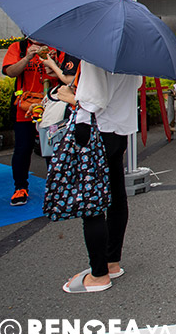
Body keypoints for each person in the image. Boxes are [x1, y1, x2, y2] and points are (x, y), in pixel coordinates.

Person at [56, 61, 140, 293]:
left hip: (96, 131)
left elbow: (93, 102)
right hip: (119, 130)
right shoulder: (129, 55)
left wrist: (70, 97)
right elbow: (136, 84)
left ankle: (99, 275)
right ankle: (111, 263)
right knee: (116, 197)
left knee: (91, 203)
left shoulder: (94, 57)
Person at [2, 38, 65, 206]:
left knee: (52, 149)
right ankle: (20, 187)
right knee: (22, 149)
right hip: (25, 108)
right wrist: (27, 57)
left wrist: (53, 62)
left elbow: (66, 75)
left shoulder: (58, 46)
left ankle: (56, 189)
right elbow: (10, 72)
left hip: (52, 109)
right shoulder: (19, 47)